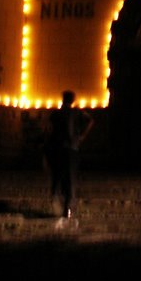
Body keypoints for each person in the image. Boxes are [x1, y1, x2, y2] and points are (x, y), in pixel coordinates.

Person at [47, 90, 94, 219]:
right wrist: (81, 136)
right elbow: (90, 120)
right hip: (72, 148)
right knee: (70, 177)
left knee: (58, 175)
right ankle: (67, 207)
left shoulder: (56, 113)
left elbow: (50, 128)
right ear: (72, 100)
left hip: (58, 148)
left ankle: (57, 201)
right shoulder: (76, 112)